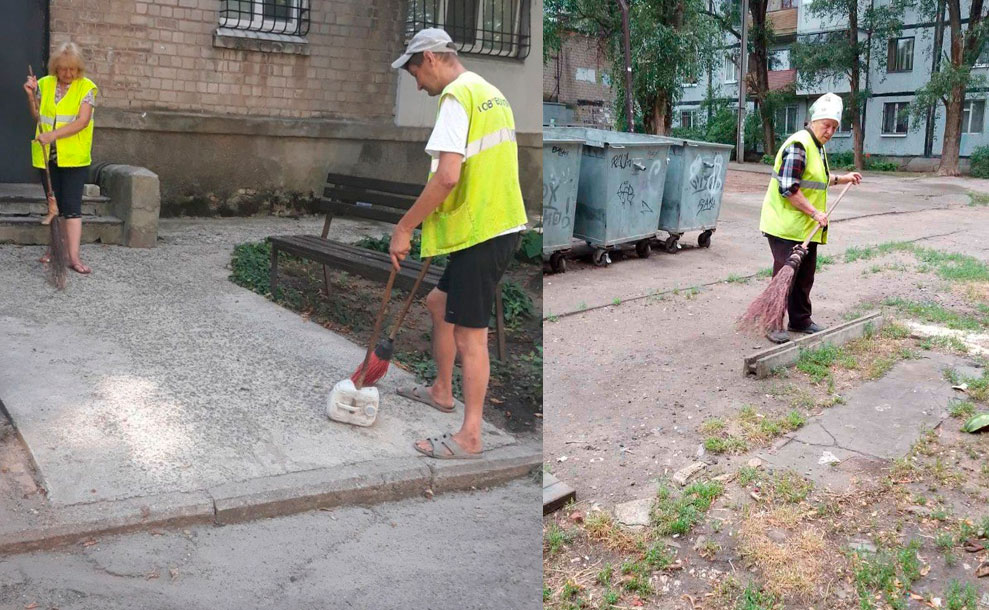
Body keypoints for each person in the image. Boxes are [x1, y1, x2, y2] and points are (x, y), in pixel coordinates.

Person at [388, 29, 528, 459]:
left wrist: (406, 227)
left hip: (483, 232)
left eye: (415, 73)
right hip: (495, 225)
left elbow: (447, 176)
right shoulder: (489, 92)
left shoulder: (454, 98)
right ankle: (442, 390)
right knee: (437, 303)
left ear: (430, 58)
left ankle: (470, 436)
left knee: (472, 336)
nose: (417, 85)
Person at [760, 92, 862, 344]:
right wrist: (815, 212)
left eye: (834, 127)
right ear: (813, 122)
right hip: (785, 225)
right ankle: (773, 323)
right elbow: (788, 188)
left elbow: (819, 180)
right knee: (786, 276)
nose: (829, 131)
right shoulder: (799, 144)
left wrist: (844, 178)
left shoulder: (817, 147)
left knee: (805, 276)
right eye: (826, 125)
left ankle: (800, 319)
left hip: (807, 227)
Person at [23, 41, 98, 275]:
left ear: (79, 69)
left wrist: (53, 135)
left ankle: (73, 257)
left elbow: (82, 121)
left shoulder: (87, 88)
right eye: (64, 68)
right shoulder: (44, 85)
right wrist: (30, 96)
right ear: (56, 67)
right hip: (47, 157)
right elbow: (38, 116)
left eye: (73, 69)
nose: (68, 73)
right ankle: (55, 250)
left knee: (72, 207)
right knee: (54, 206)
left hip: (74, 157)